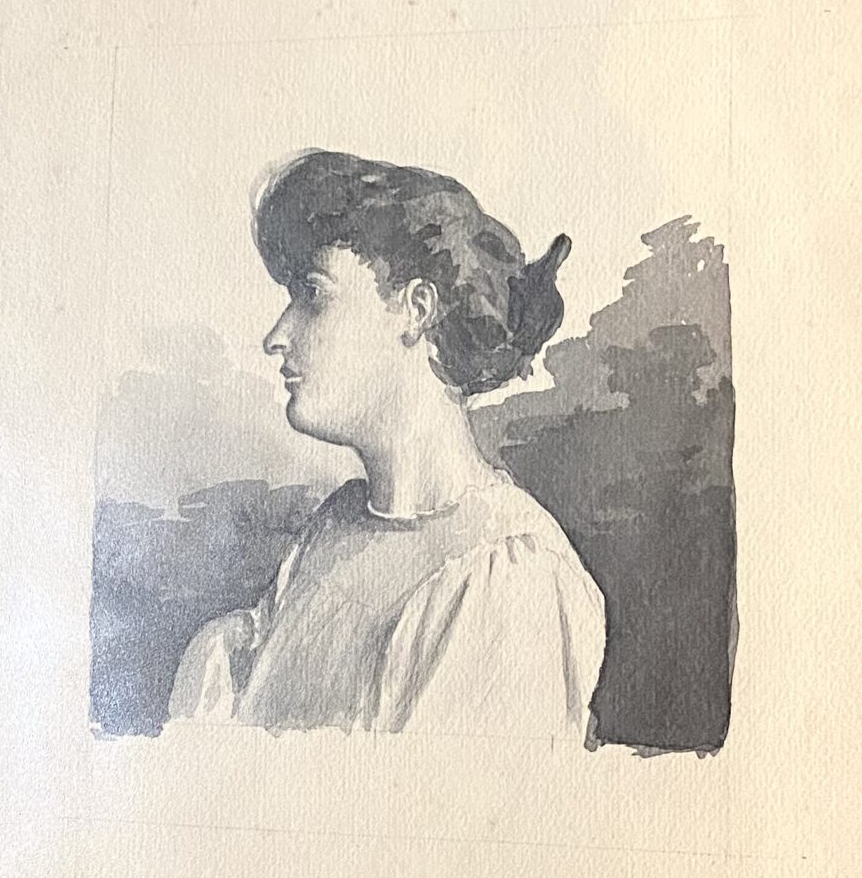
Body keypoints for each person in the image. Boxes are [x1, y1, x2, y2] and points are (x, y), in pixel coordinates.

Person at [168, 150, 605, 739]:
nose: (277, 336)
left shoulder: (507, 577)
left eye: (312, 293)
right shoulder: (334, 528)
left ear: (416, 310)